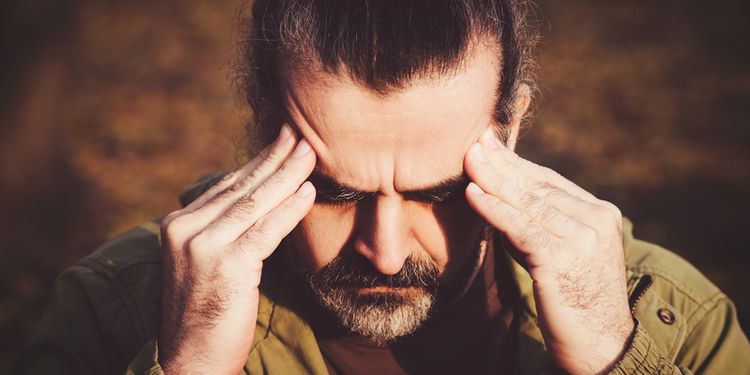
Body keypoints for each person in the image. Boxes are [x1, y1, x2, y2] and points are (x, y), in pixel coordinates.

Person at [14, 1, 750, 374]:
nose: (387, 252)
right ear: (268, 127)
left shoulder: (665, 320)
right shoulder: (117, 312)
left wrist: (616, 358)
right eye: (336, 192)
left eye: (437, 192)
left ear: (511, 129)